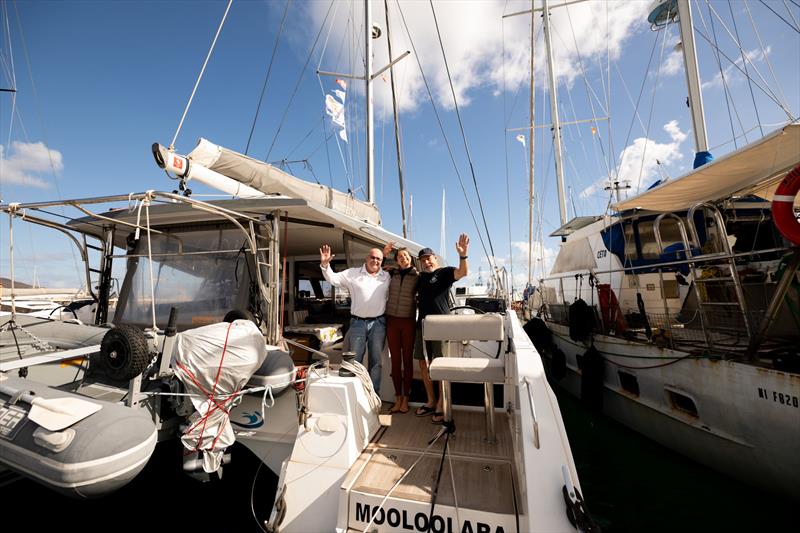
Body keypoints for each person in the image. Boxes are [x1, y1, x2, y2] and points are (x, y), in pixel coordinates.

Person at [414, 234, 470, 423]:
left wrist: (463, 255)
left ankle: (442, 403)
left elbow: (462, 273)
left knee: (440, 365)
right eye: (423, 260)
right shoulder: (420, 277)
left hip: (441, 326)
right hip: (422, 325)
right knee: (423, 364)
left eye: (428, 258)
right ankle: (430, 401)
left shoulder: (445, 273)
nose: (426, 262)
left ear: (434, 258)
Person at [319, 244, 391, 393]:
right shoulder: (352, 273)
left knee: (376, 362)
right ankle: (356, 394)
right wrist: (325, 265)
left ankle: (373, 395)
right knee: (355, 361)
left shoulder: (387, 276)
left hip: (379, 324)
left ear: (382, 261)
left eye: (379, 259)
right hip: (358, 323)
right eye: (373, 257)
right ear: (366, 258)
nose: (375, 261)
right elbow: (332, 279)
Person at [381, 243, 419, 414]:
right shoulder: (391, 273)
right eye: (400, 256)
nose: (403, 258)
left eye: (406, 256)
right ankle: (398, 399)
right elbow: (375, 269)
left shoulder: (417, 276)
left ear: (410, 259)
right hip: (392, 322)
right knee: (395, 362)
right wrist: (384, 253)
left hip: (408, 322)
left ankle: (406, 399)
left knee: (408, 362)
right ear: (396, 260)